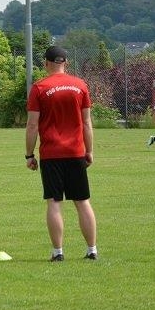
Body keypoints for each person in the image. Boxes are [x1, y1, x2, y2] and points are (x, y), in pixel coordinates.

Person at [25, 45, 98, 262]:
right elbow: (86, 123)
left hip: (51, 154)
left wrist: (29, 155)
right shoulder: (80, 86)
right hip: (76, 152)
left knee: (55, 202)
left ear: (46, 63)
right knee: (82, 201)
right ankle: (91, 249)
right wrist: (89, 150)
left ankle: (58, 252)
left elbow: (32, 125)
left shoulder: (39, 88)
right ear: (65, 63)